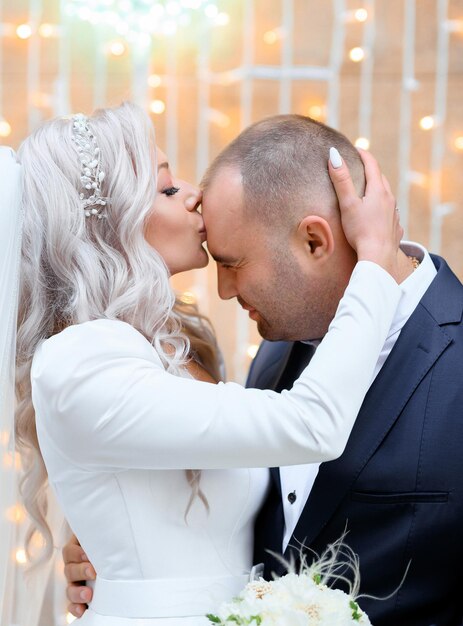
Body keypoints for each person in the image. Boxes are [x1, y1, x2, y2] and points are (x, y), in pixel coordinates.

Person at [66, 113, 463, 626]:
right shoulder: (276, 354)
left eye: (233, 264)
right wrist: (126, 554)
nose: (225, 291)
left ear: (314, 242)